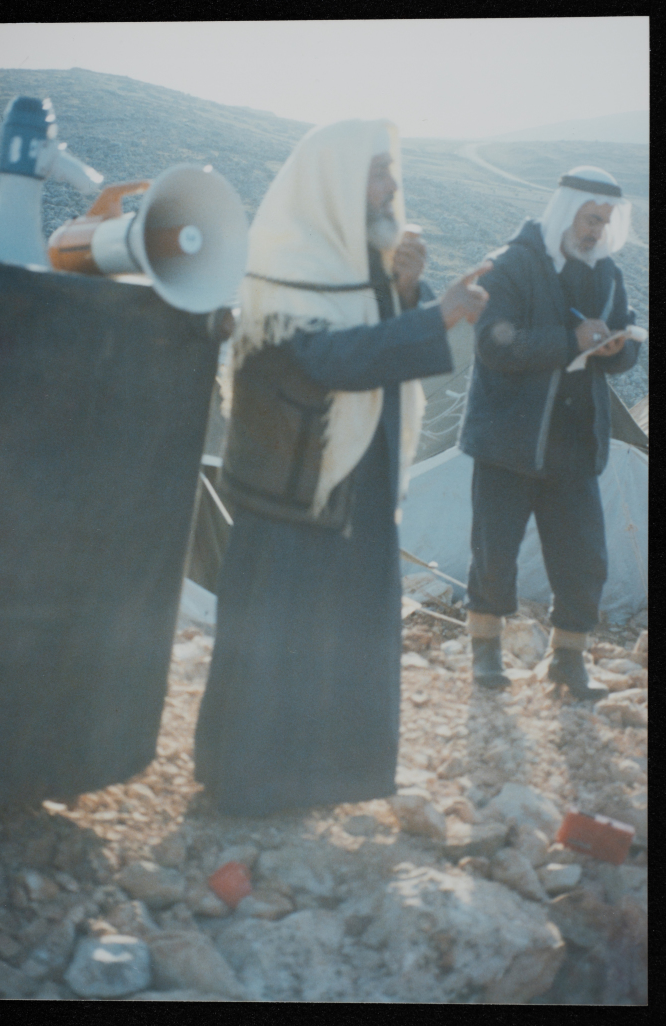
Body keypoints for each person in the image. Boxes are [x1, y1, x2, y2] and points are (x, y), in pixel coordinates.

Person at [193, 119, 490, 816]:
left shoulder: (353, 256)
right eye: (377, 172)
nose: (392, 188)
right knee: (276, 632)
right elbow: (327, 359)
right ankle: (248, 785)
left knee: (339, 631)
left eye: (392, 172)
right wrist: (435, 318)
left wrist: (406, 293)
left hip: (352, 481)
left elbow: (362, 338)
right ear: (334, 182)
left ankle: (322, 778)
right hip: (293, 487)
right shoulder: (288, 257)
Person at [458, 166, 642, 701]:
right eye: (589, 218)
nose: (595, 230)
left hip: (574, 444)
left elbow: (625, 338)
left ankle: (567, 663)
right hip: (508, 440)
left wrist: (618, 348)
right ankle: (486, 656)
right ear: (566, 212)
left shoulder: (606, 273)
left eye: (604, 221)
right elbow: (494, 345)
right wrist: (570, 340)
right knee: (495, 552)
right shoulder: (511, 264)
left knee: (583, 557)